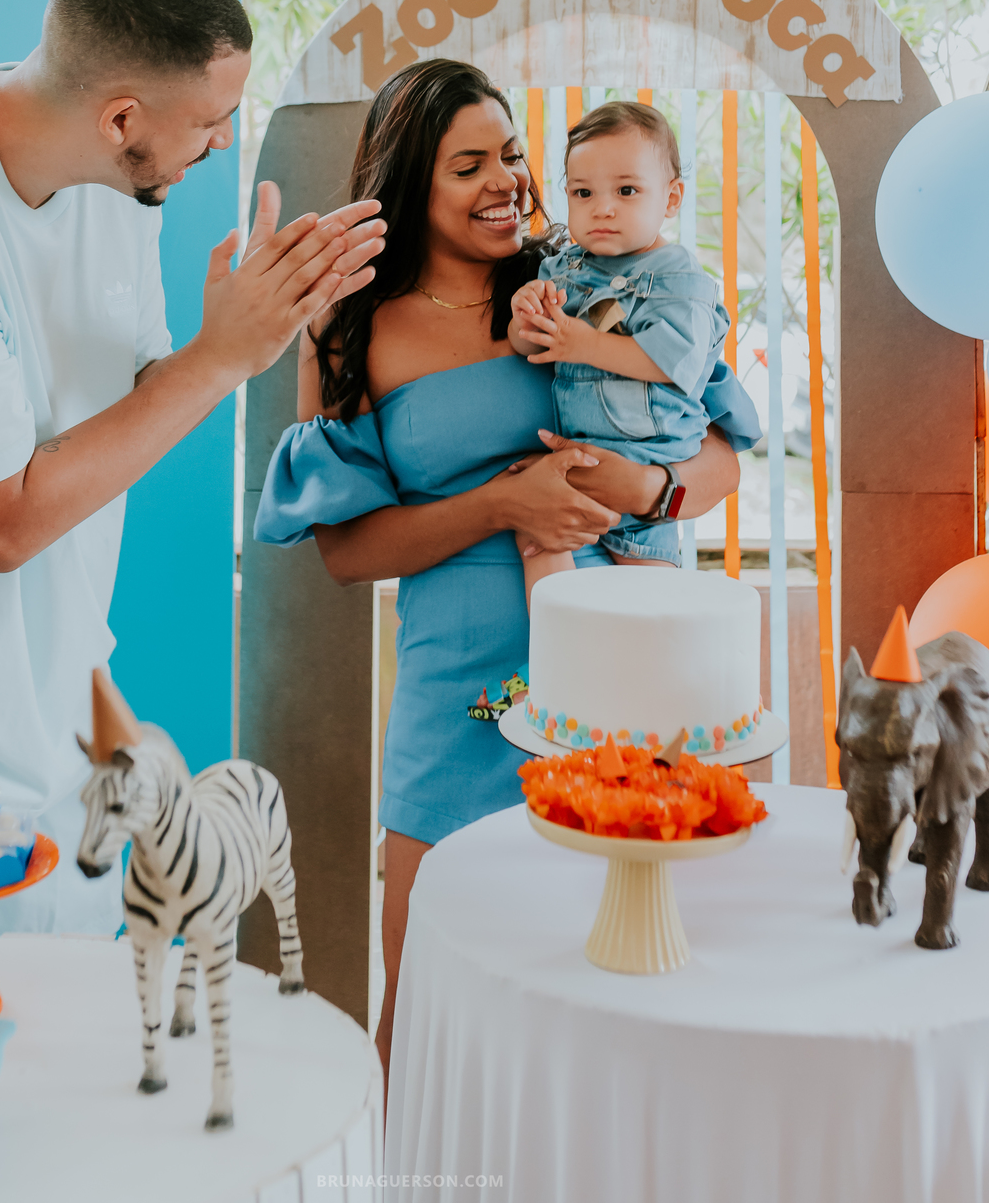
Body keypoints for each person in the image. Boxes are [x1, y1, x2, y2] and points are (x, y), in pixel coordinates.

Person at [0, 0, 383, 934]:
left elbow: (131, 404)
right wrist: (220, 361)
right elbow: (1, 523)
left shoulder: (123, 185)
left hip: (57, 730)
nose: (222, 142)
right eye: (209, 121)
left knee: (65, 1024)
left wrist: (244, 332)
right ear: (121, 117)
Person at [252, 59, 759, 1077]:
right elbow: (348, 553)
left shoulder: (595, 279)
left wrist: (645, 489)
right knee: (424, 1016)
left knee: (623, 1003)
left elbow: (720, 457)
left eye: (514, 154)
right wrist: (502, 506)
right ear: (411, 184)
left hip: (621, 685)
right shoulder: (351, 328)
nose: (507, 182)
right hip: (455, 700)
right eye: (469, 165)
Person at [509, 100, 743, 601]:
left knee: (648, 602)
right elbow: (530, 346)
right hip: (578, 461)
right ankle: (559, 638)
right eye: (583, 192)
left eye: (627, 191)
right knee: (538, 532)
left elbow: (669, 363)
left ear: (671, 198)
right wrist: (524, 317)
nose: (603, 208)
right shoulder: (563, 269)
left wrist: (585, 343)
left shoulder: (679, 279)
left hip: (647, 461)